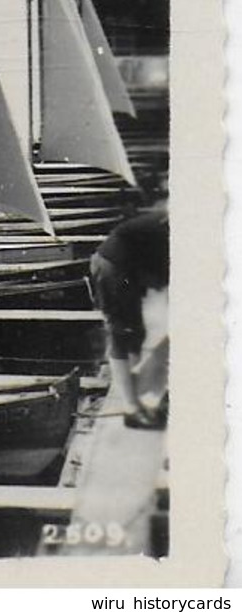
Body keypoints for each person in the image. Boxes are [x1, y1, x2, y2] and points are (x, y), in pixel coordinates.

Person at [89, 177, 170, 430]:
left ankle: (142, 396)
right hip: (114, 265)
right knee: (122, 332)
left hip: (130, 266)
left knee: (136, 332)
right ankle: (131, 408)